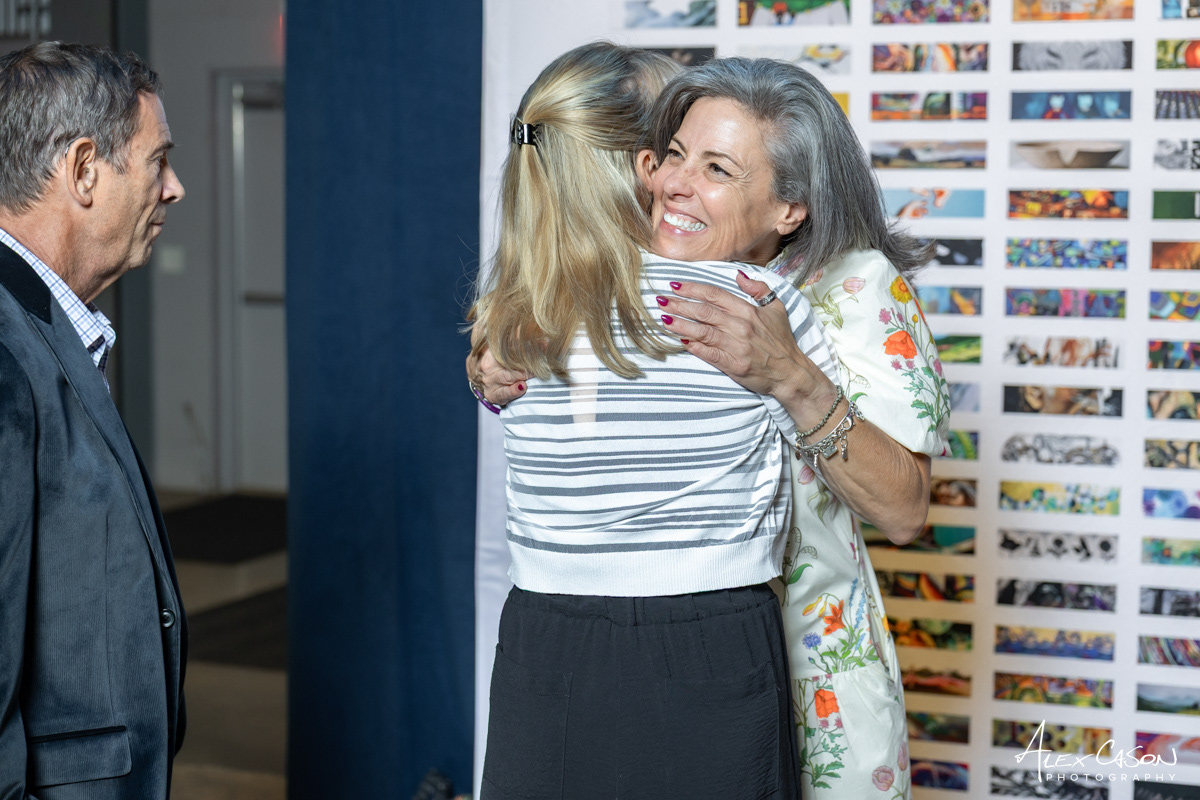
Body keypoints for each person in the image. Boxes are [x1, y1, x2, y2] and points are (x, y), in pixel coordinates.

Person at [473, 57, 950, 798]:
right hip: (616, 650)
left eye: (718, 168)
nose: (674, 183)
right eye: (673, 154)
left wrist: (791, 378)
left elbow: (905, 510)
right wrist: (495, 367)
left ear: (789, 207)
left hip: (805, 660)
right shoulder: (627, 265)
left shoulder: (851, 286)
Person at [0, 42, 187, 798]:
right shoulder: (5, 352)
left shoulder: (41, 328)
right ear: (83, 170)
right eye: (157, 161)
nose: (174, 188)